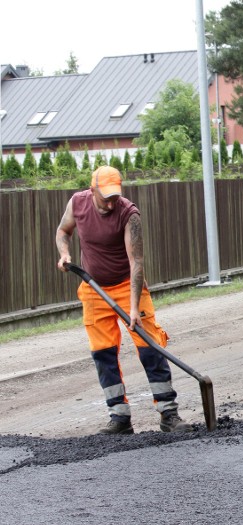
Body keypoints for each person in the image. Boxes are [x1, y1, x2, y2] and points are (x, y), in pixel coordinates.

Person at [56, 166, 192, 435]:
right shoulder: (77, 203)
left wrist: (132, 308)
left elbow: (136, 262)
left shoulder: (129, 214)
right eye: (105, 197)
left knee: (150, 345)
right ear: (92, 189)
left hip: (128, 286)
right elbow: (63, 231)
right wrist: (64, 254)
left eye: (114, 197)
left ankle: (168, 412)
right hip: (93, 289)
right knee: (102, 352)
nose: (110, 202)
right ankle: (119, 416)